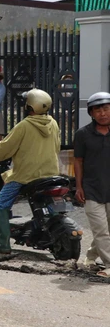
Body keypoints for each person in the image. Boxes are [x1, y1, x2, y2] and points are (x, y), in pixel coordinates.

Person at [0, 89, 60, 254]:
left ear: (29, 106)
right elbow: (57, 147)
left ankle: (3, 245)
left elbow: (3, 149)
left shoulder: (24, 125)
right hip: (51, 173)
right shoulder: (53, 123)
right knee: (51, 203)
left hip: (25, 175)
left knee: (0, 205)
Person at [74, 91, 110, 275]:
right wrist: (78, 186)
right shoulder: (83, 134)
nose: (103, 113)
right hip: (92, 189)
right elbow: (78, 161)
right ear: (91, 113)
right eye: (98, 110)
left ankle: (90, 256)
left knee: (106, 229)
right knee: (101, 230)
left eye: (106, 108)